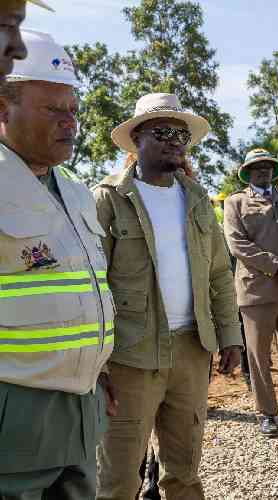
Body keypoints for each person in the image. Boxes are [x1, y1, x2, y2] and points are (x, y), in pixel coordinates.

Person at [94, 93, 242, 499]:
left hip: (191, 351)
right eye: (163, 132)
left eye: (182, 135)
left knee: (184, 474)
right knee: (119, 480)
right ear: (137, 138)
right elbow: (94, 283)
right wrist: (98, 362)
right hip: (130, 356)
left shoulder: (196, 198)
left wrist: (230, 335)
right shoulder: (109, 198)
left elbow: (218, 273)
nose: (175, 141)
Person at [0, 30, 116, 499]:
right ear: (3, 108)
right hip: (15, 412)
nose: (70, 122)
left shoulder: (76, 191)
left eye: (74, 109)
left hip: (82, 408)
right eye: (53, 109)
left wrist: (99, 368)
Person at [224, 148, 278, 437]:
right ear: (247, 172)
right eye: (257, 166)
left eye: (268, 165)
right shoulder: (235, 202)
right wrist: (275, 265)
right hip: (256, 290)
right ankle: (267, 413)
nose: (263, 170)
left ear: (275, 170)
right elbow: (237, 244)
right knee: (258, 355)